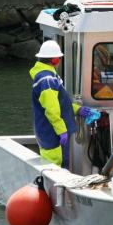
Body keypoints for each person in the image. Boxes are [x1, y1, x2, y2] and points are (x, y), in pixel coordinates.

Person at [30, 40, 98, 168]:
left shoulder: (47, 76)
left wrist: (78, 110)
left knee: (60, 165)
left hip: (50, 133)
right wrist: (61, 131)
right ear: (55, 60)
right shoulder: (47, 79)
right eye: (59, 59)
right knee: (55, 169)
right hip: (52, 135)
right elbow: (52, 110)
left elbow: (59, 103)